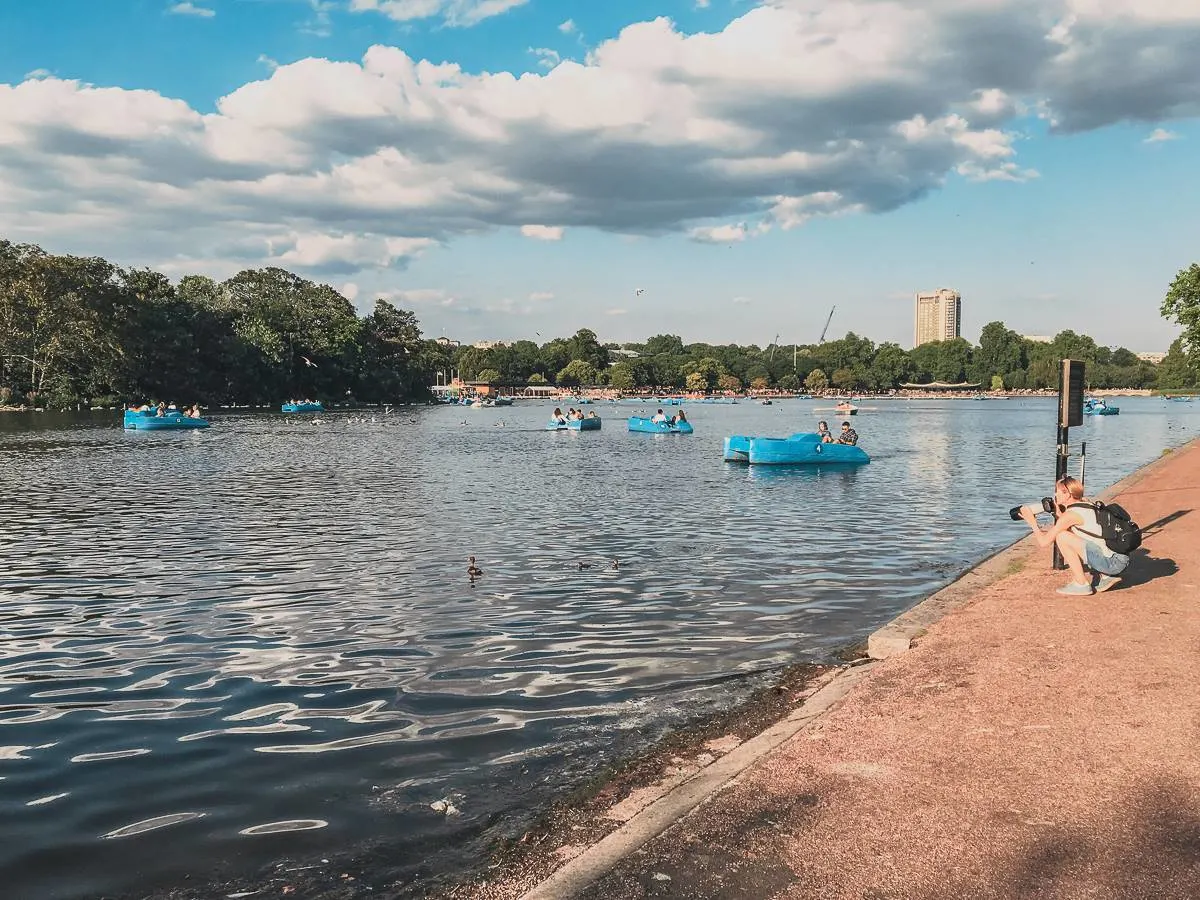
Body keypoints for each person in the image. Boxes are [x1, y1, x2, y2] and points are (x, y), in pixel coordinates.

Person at [1018, 476, 1131, 596]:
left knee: (1061, 536)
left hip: (1112, 564)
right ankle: (1106, 576)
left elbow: (1044, 542)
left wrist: (1032, 522)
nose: (1055, 494)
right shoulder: (1087, 503)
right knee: (1070, 534)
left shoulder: (1070, 515)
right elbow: (1079, 526)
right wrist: (1058, 513)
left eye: (1058, 491)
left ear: (1067, 494)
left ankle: (1081, 584)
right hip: (1120, 558)